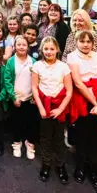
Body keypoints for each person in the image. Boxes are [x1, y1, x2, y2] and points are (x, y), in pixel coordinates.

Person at [67, 30, 97, 189]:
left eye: (88, 42)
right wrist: (94, 102)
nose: (85, 44)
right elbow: (78, 83)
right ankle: (80, 165)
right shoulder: (72, 56)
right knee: (82, 133)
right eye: (82, 41)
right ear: (76, 42)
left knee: (95, 134)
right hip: (82, 98)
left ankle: (94, 168)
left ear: (93, 43)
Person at [31, 36, 73, 184]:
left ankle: (61, 165)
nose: (49, 51)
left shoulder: (63, 66)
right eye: (46, 49)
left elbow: (69, 91)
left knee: (59, 138)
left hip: (59, 106)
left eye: (52, 49)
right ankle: (46, 163)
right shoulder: (37, 66)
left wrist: (61, 109)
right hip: (44, 106)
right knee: (45, 137)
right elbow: (34, 88)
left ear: (57, 50)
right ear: (42, 50)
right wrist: (41, 108)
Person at [4, 36, 38, 159]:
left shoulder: (33, 62)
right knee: (16, 123)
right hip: (16, 99)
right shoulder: (10, 62)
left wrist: (35, 96)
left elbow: (37, 80)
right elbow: (7, 80)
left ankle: (29, 144)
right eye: (19, 45)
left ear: (27, 47)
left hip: (30, 99)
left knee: (30, 123)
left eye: (24, 45)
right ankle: (17, 143)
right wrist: (13, 97)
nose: (21, 47)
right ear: (14, 47)